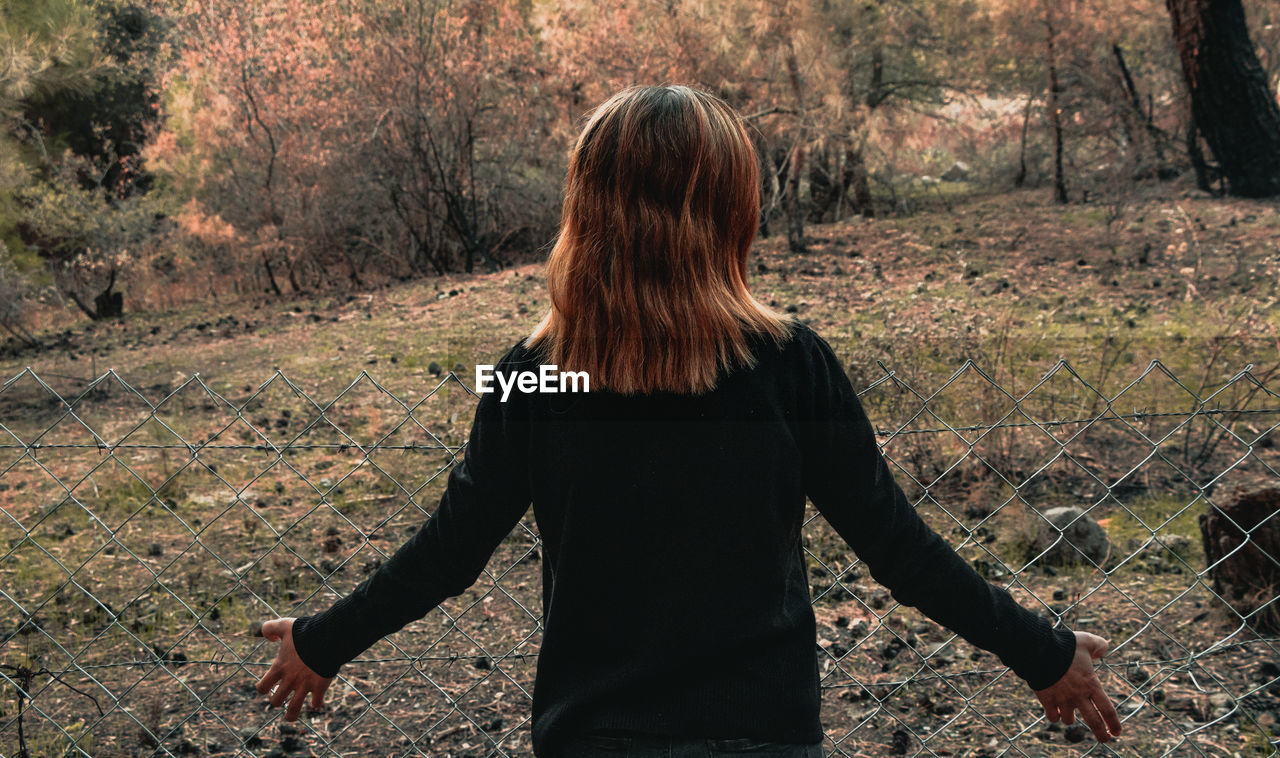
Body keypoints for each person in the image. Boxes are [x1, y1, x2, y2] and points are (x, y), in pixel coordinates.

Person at [253, 84, 1123, 757]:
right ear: (730, 212)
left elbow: (451, 548)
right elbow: (898, 546)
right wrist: (1042, 654)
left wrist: (323, 641)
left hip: (592, 734)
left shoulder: (528, 375)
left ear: (586, 213)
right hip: (766, 734)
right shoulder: (789, 365)